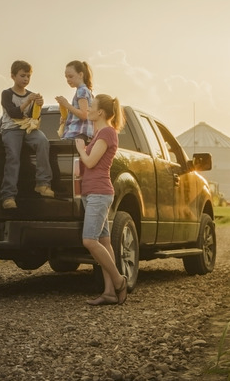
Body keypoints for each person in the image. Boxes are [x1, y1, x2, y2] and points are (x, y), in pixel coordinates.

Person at [75, 93, 128, 306]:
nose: (88, 110)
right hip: (92, 193)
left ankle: (118, 280)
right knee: (105, 242)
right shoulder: (100, 133)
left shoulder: (107, 132)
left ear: (101, 112)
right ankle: (109, 292)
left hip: (99, 193)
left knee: (89, 240)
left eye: (92, 107)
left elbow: (90, 161)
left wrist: (80, 148)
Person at [0, 60, 54, 210]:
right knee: (13, 157)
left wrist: (38, 105)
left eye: (28, 76)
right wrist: (27, 101)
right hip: (11, 129)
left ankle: (43, 184)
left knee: (43, 141)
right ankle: (8, 196)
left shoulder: (30, 95)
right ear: (13, 76)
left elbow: (33, 116)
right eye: (22, 75)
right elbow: (14, 113)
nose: (26, 79)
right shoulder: (7, 94)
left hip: (28, 128)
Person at [56, 60, 94, 141]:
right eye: (66, 77)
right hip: (80, 134)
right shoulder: (85, 90)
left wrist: (67, 105)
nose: (68, 80)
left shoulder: (81, 91)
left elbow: (83, 115)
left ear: (80, 75)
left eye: (70, 76)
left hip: (77, 133)